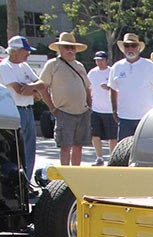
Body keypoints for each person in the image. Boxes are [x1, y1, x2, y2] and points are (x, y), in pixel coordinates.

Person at [0, 35, 46, 182]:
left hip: (28, 110)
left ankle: (27, 181)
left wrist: (31, 87)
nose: (28, 54)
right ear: (14, 51)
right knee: (18, 149)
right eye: (25, 51)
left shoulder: (24, 66)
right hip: (15, 110)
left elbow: (41, 84)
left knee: (30, 148)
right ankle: (19, 181)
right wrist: (34, 90)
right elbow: (19, 90)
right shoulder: (5, 66)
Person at [40, 32, 92, 167]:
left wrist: (89, 106)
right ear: (60, 49)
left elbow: (87, 87)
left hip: (82, 112)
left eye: (72, 47)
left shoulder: (79, 65)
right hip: (64, 112)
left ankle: (76, 174)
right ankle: (65, 176)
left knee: (78, 146)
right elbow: (43, 88)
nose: (70, 50)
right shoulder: (52, 65)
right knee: (65, 147)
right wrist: (52, 108)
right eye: (66, 47)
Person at [109, 33, 153, 141]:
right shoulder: (116, 67)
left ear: (139, 48)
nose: (130, 48)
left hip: (145, 118)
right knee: (124, 149)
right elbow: (113, 89)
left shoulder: (149, 66)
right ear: (123, 48)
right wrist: (114, 110)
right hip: (124, 118)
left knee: (145, 148)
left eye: (133, 45)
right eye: (127, 45)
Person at [88, 50, 117, 165]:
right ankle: (99, 158)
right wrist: (88, 103)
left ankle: (112, 159)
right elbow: (88, 88)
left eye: (101, 60)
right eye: (97, 60)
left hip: (110, 110)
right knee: (95, 135)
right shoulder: (92, 73)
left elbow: (118, 89)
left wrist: (109, 87)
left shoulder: (112, 72)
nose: (99, 62)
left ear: (106, 60)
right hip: (96, 109)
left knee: (112, 137)